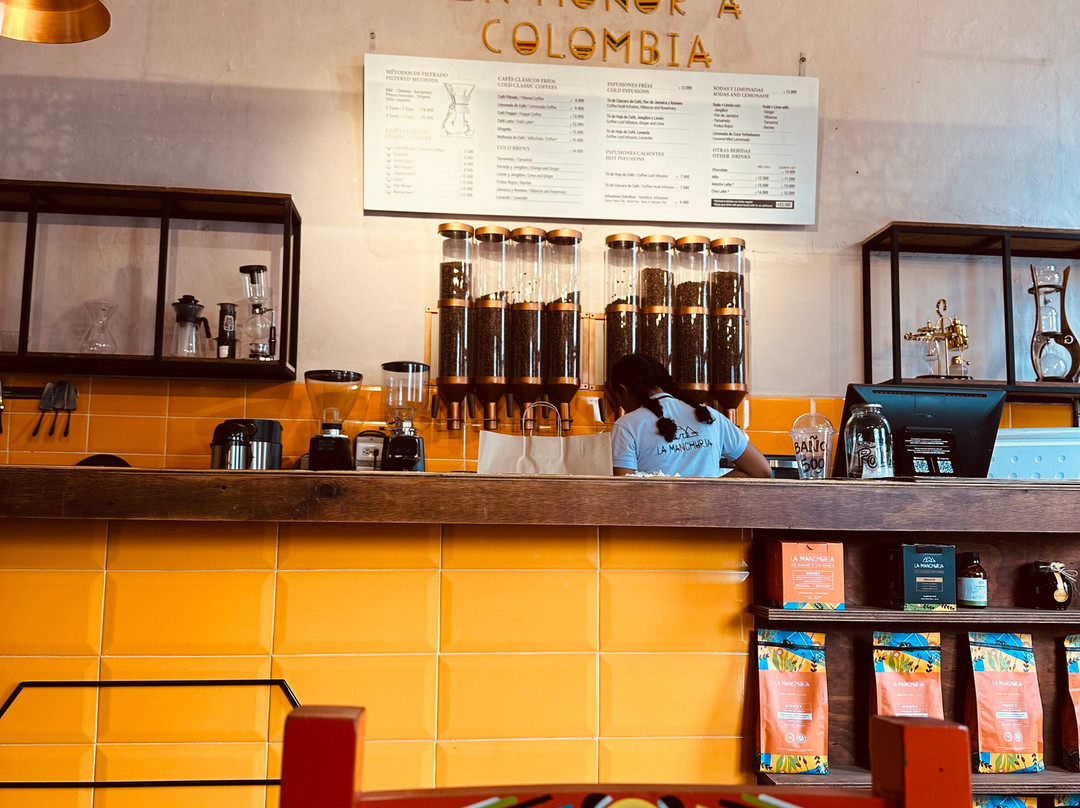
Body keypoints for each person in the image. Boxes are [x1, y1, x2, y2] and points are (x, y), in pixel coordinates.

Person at [607, 353, 772, 478]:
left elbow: (626, 491)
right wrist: (711, 488)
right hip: (710, 514)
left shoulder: (626, 426)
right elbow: (762, 470)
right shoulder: (710, 416)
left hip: (657, 515)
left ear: (622, 390)